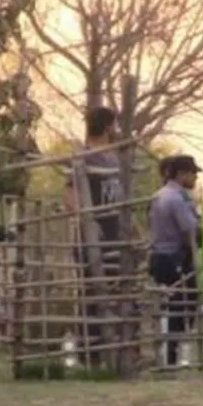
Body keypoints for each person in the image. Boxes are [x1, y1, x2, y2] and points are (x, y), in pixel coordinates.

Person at [63, 107, 123, 364]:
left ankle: (114, 348)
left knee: (115, 289)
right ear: (108, 126)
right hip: (93, 232)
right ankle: (90, 352)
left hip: (114, 230)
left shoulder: (113, 158)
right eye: (115, 125)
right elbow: (69, 194)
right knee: (92, 292)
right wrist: (88, 220)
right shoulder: (84, 156)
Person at [148, 155, 201, 367]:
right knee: (181, 305)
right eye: (192, 173)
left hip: (158, 256)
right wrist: (195, 260)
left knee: (168, 304)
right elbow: (189, 231)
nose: (195, 177)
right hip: (175, 257)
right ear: (181, 174)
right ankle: (172, 352)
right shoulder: (177, 199)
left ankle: (167, 351)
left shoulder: (158, 196)